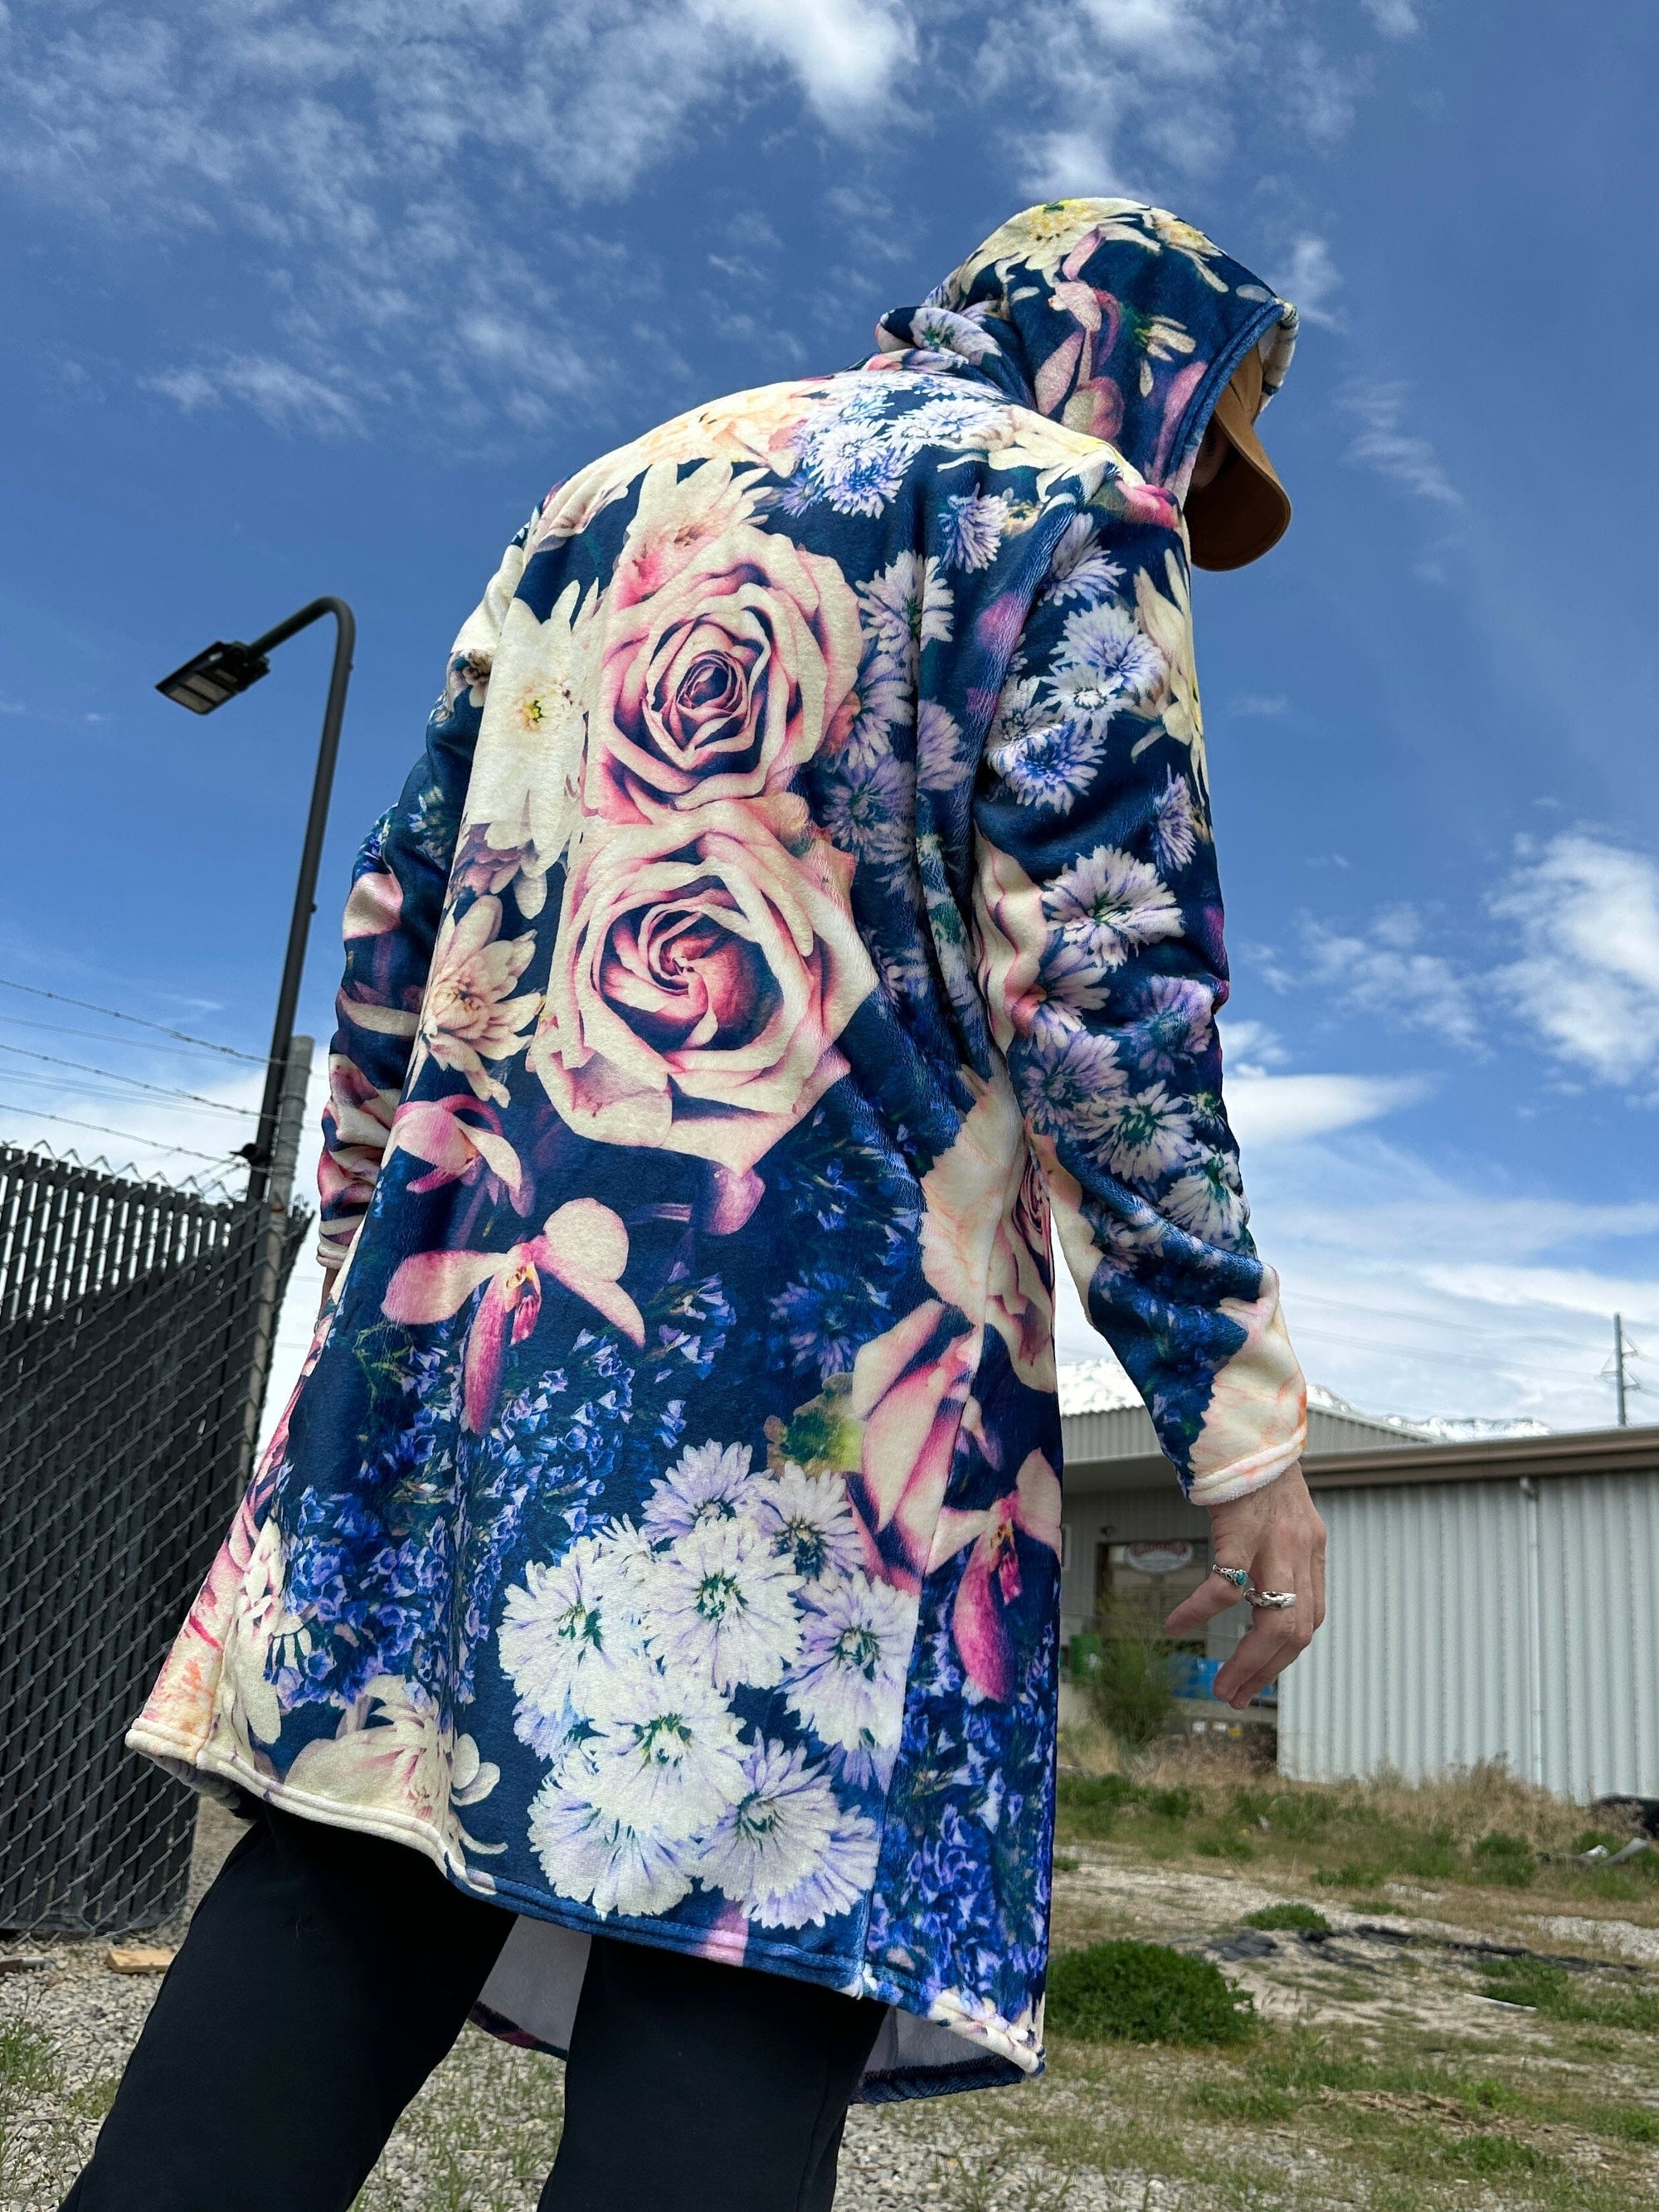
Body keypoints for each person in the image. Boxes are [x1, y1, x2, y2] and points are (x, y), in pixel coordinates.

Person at [68, 197, 1326, 2212]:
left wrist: (358, 1269)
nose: (1192, 475)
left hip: (464, 1340)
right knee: (742, 1940)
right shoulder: (1065, 509)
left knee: (349, 1873)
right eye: (1213, 424)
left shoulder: (599, 497)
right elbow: (1106, 990)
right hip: (806, 1404)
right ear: (1148, 351)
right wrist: (1237, 1419)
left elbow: (398, 922)